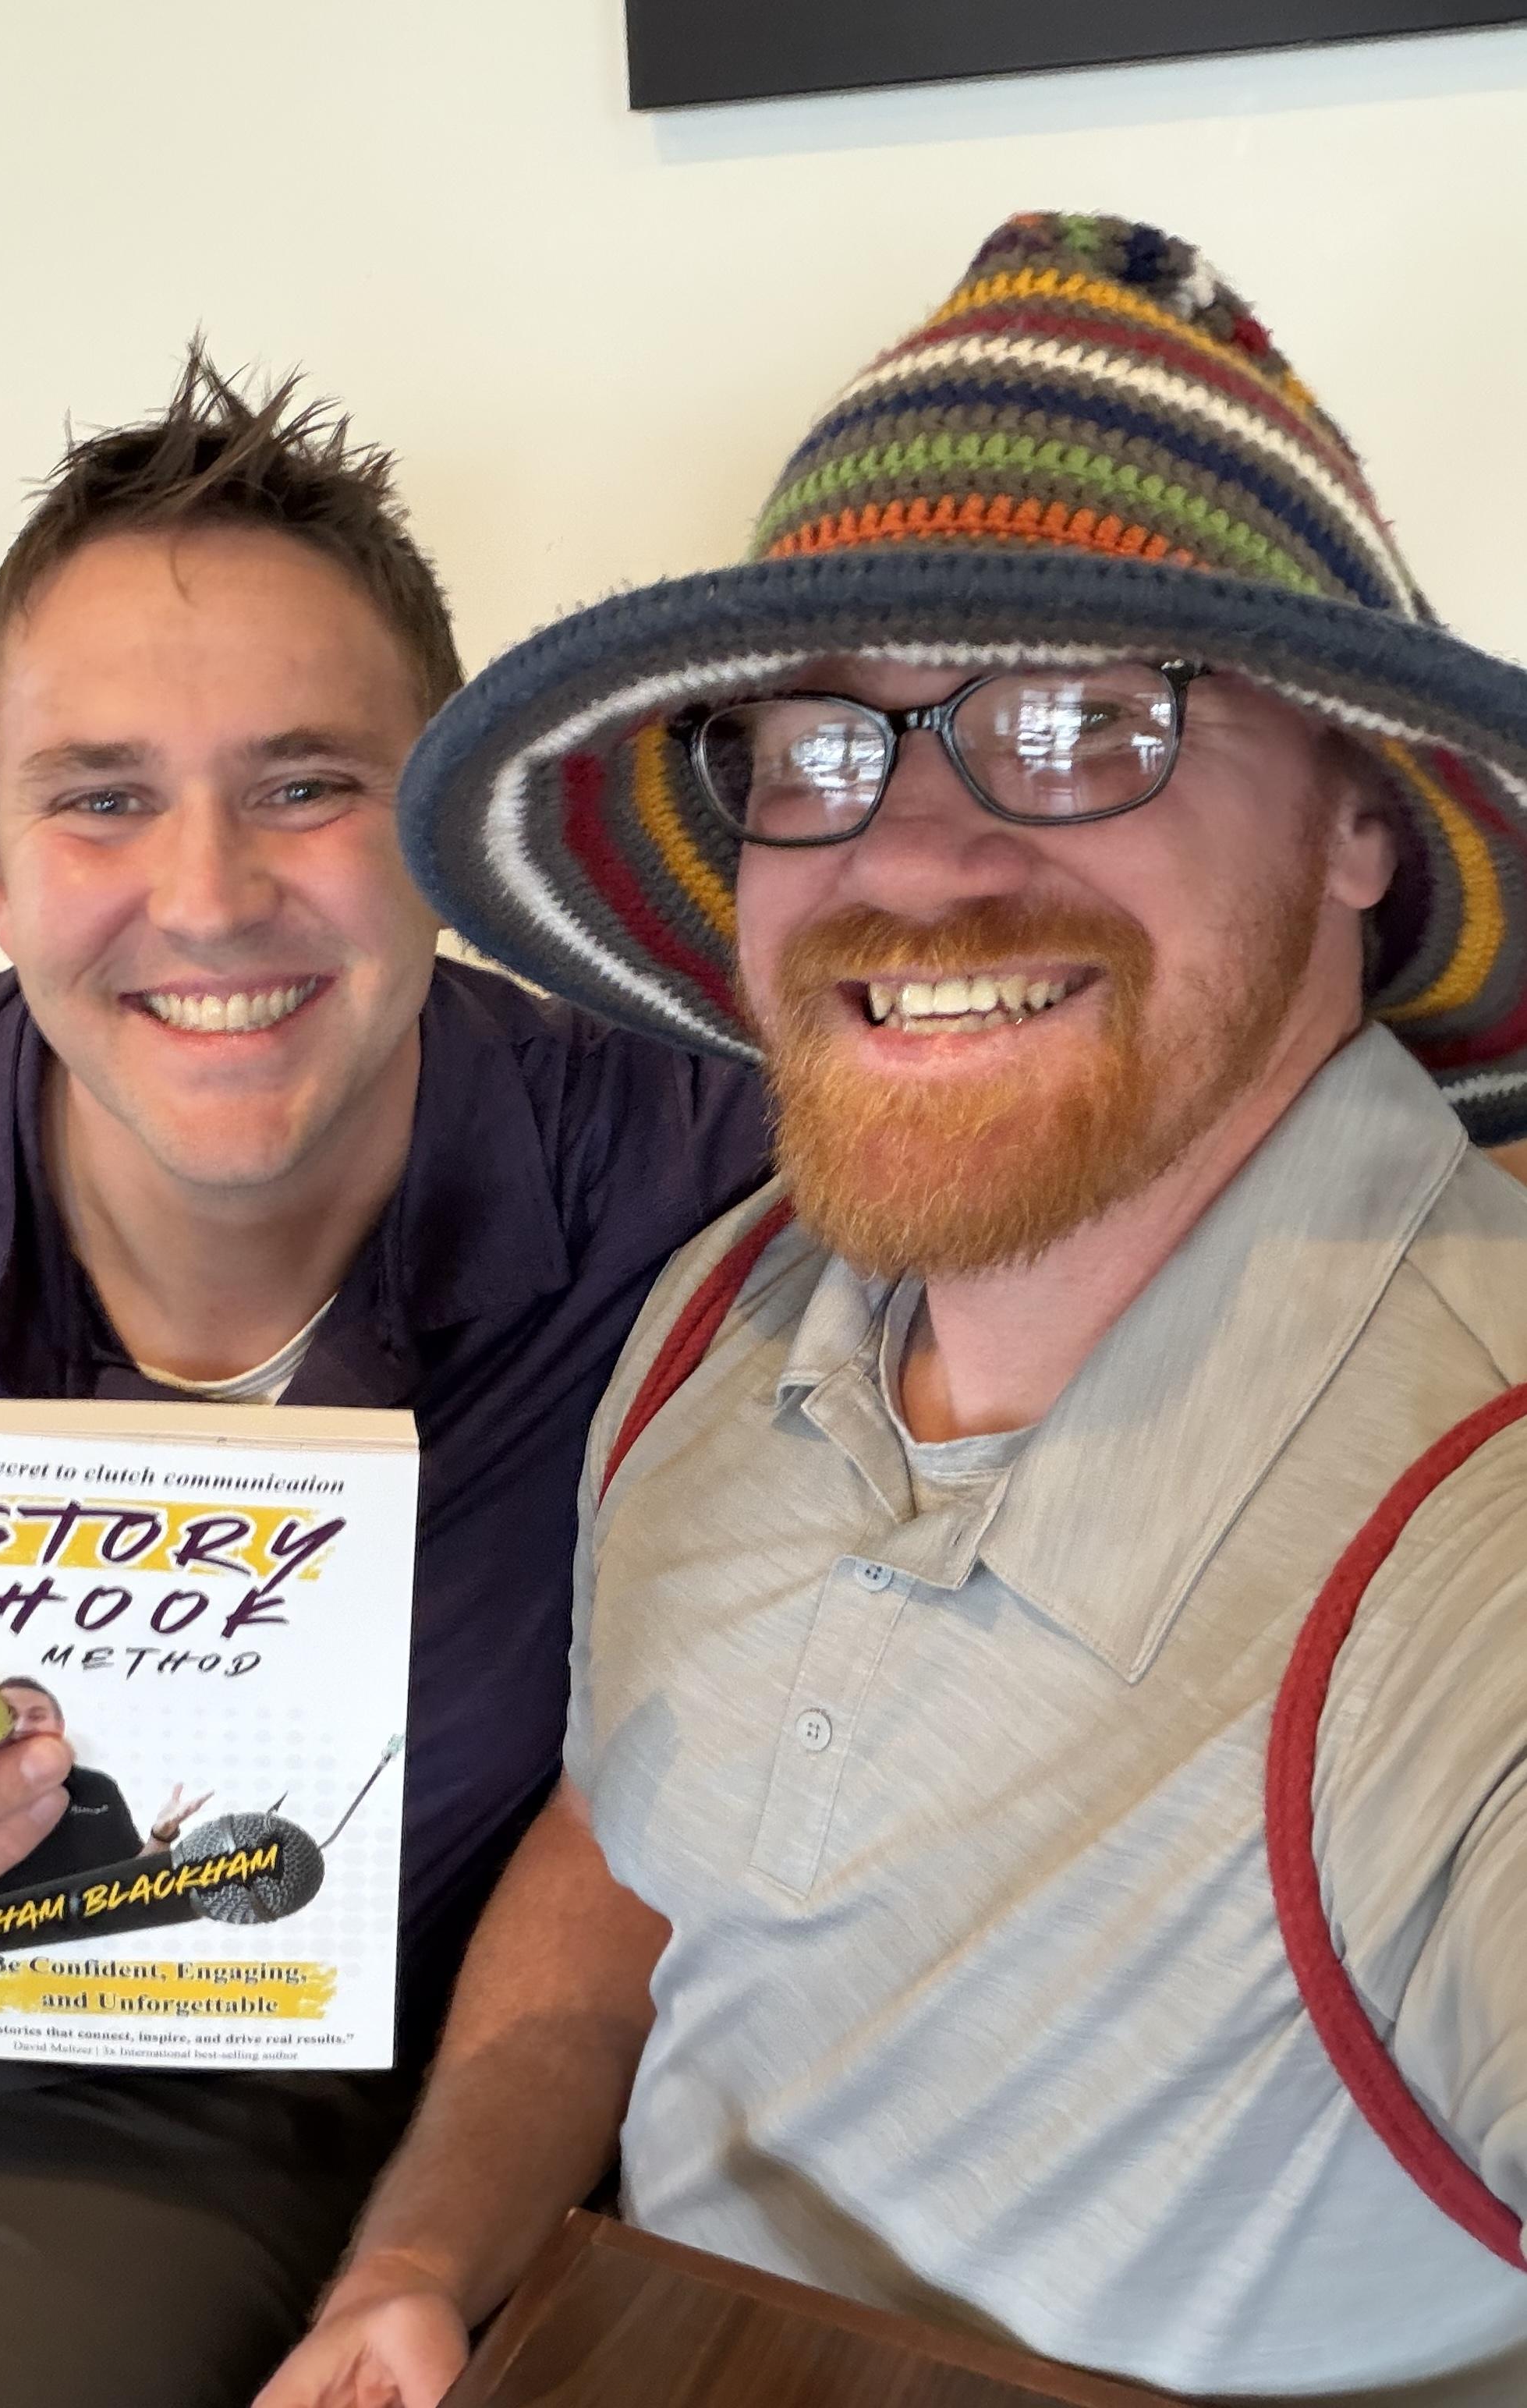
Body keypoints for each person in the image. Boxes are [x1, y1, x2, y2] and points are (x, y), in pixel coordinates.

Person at [264, 215, 1527, 2407]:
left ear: (1356, 818)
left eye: (1078, 719)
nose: (913, 856)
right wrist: (424, 2260)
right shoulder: (731, 1304)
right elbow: (634, 1849)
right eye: (819, 743)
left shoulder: (1470, 1522)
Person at [0, 346, 767, 2407]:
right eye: (102, 798)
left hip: (228, 2044)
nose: (205, 899)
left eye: (305, 785)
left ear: (447, 834)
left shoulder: (696, 1184)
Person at [0, 1675, 211, 1874]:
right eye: (8, 1717)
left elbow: (133, 1880)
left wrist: (161, 1836)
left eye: (36, 1716)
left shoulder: (97, 1788)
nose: (21, 1727)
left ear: (60, 1727)